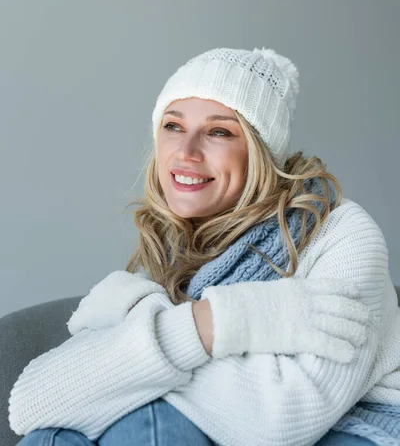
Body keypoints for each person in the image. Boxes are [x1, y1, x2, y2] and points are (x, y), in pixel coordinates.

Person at [9, 48, 400, 446]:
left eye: (219, 132)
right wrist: (216, 321)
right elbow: (33, 402)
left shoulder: (342, 234)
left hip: (358, 428)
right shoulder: (173, 248)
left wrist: (134, 354)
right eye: (173, 126)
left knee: (142, 423)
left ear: (261, 153)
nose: (187, 152)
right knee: (55, 436)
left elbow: (281, 420)